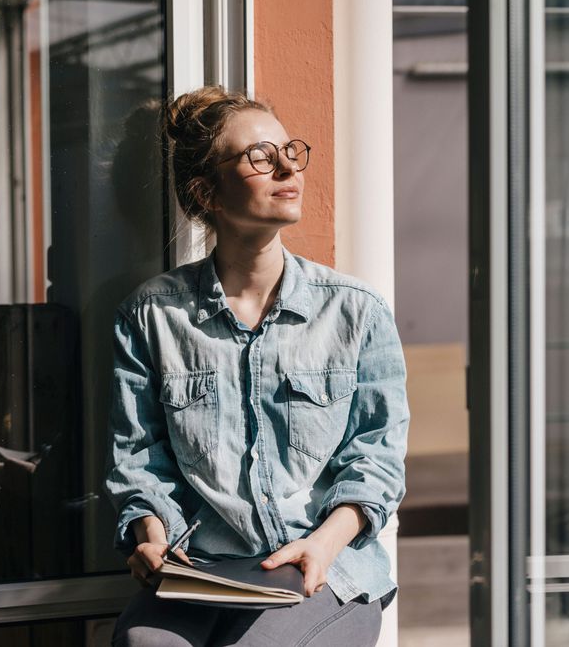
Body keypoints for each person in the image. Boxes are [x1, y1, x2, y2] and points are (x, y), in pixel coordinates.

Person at [104, 86, 409, 647]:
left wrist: (322, 544)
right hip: (205, 569)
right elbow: (139, 460)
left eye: (289, 151)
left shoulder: (355, 311)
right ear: (207, 191)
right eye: (260, 158)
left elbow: (378, 459)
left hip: (324, 567)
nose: (287, 167)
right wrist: (150, 536)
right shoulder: (151, 315)